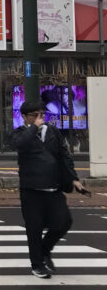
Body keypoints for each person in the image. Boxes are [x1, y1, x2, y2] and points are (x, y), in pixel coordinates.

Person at [9, 99, 86, 278]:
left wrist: (74, 179)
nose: (39, 118)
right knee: (34, 229)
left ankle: (45, 250)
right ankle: (37, 264)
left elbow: (64, 156)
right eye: (34, 115)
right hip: (31, 190)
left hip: (54, 188)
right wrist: (34, 128)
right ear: (25, 117)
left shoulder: (52, 132)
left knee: (64, 222)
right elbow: (20, 145)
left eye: (41, 114)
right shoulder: (20, 134)